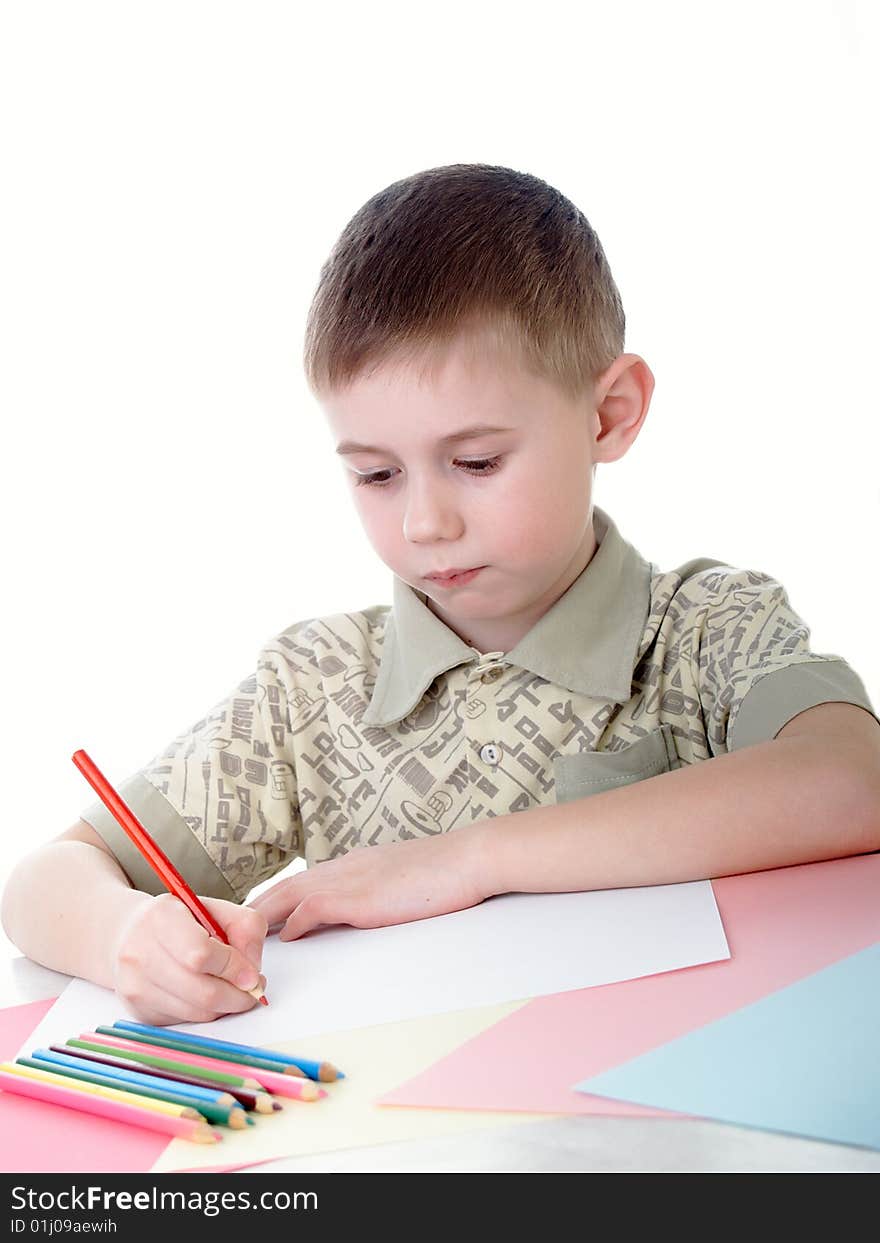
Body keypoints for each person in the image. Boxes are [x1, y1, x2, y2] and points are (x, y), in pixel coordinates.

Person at [4, 164, 879, 1025]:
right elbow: (42, 884)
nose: (424, 522)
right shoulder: (313, 689)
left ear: (608, 414)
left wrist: (467, 860)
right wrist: (128, 935)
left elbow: (854, 778)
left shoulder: (704, 630)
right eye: (376, 473)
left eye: (476, 463)